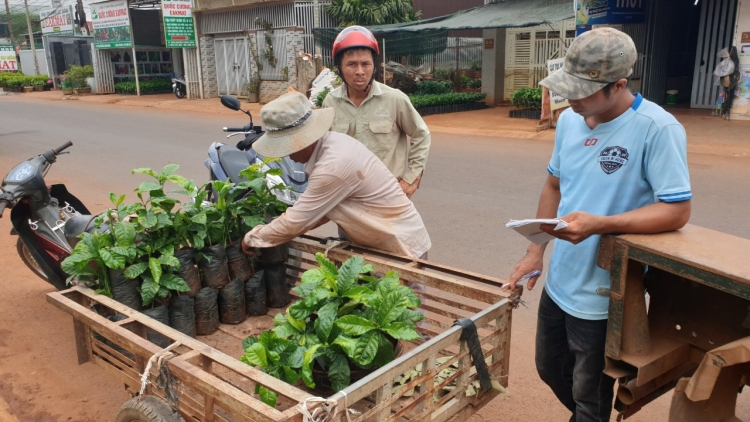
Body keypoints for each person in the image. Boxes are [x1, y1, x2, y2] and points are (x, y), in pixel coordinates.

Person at [505, 28, 692, 422]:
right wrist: (535, 249)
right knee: (548, 367)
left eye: (581, 90)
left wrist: (601, 224)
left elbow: (677, 210)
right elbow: (554, 184)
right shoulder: (572, 120)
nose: (570, 99)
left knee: (589, 395)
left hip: (605, 292)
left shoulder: (657, 129)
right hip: (561, 282)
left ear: (618, 85)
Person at [241, 91, 431, 261]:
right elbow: (318, 213)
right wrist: (282, 231)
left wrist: (253, 238)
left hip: (400, 248)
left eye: (286, 148)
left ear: (302, 140)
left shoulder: (332, 167)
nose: (287, 155)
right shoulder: (333, 143)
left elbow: (298, 220)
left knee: (401, 300)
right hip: (382, 244)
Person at [322, 25, 431, 199]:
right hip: (347, 199)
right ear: (339, 69)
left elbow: (421, 134)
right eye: (351, 64)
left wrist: (412, 178)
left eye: (366, 64)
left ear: (374, 66)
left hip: (387, 196)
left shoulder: (394, 99)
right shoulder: (330, 102)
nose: (360, 71)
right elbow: (325, 149)